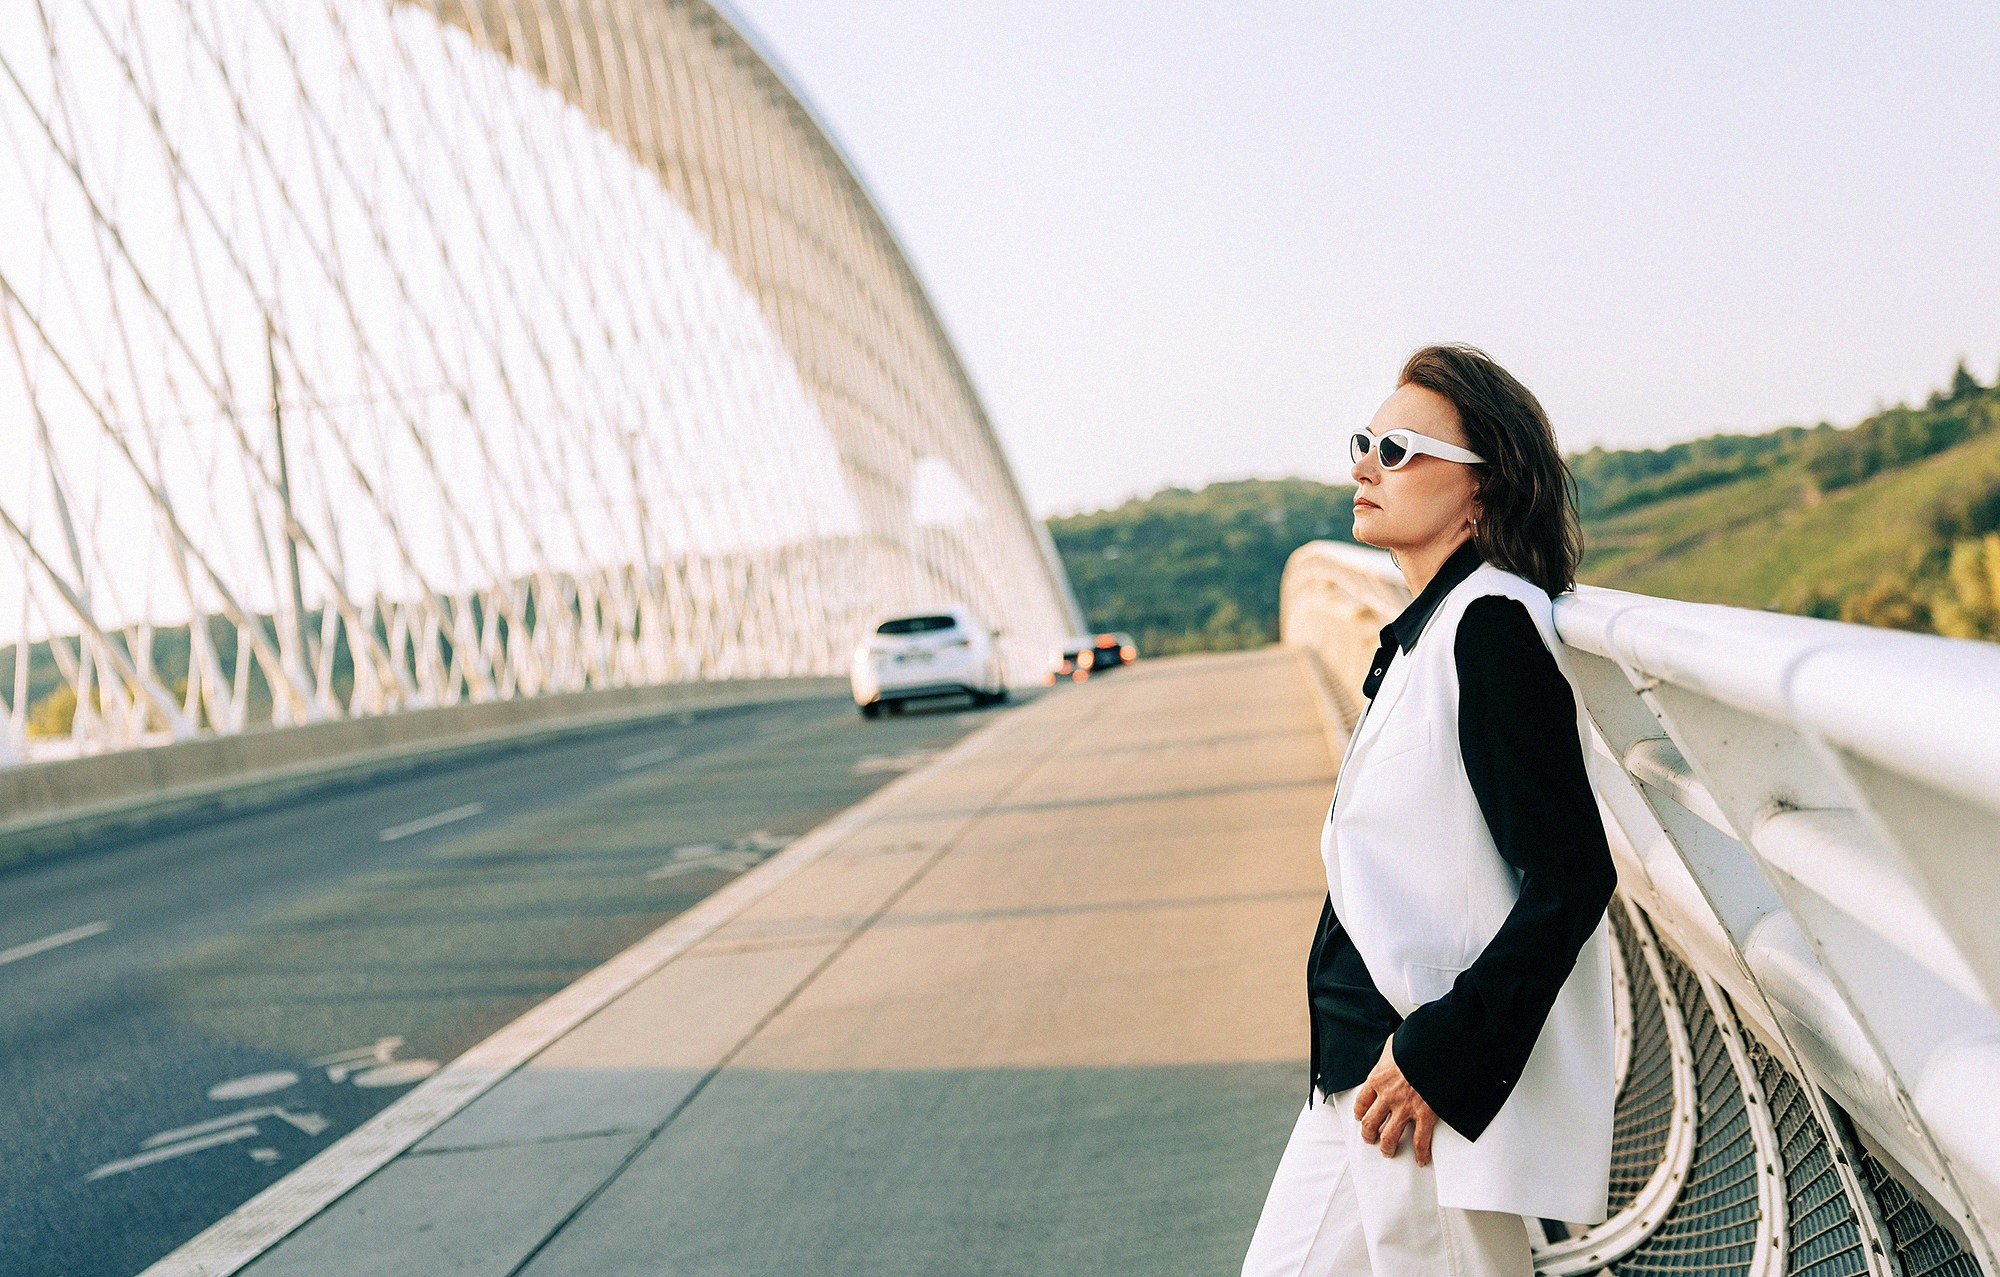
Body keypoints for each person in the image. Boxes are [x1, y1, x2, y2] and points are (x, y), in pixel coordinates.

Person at [1242, 344, 1619, 1277]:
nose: (1365, 464)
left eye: (1400, 449)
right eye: (1367, 440)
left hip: (1415, 1095)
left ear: (1483, 490)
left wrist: (1440, 1056)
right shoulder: (1429, 630)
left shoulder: (1490, 626)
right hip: (1364, 1079)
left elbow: (1573, 873)